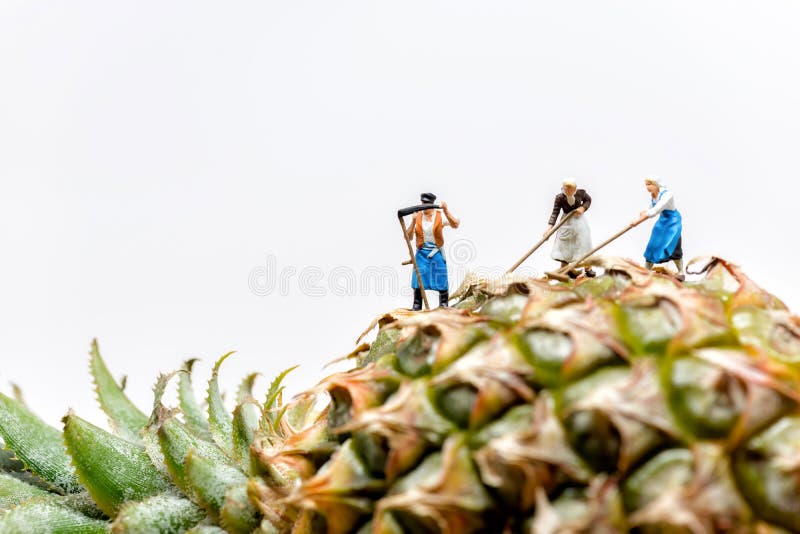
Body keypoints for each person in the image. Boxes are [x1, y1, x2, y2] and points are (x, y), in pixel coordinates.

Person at [406, 192, 460, 310]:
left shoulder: (439, 216)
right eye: (423, 203)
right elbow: (408, 237)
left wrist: (446, 210)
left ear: (431, 205)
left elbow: (455, 224)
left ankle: (444, 303)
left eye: (426, 204)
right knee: (418, 278)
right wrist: (413, 221)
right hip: (421, 253)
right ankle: (417, 304)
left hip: (436, 252)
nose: (424, 206)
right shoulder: (417, 216)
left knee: (441, 276)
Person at [634, 177, 685, 280]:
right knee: (653, 244)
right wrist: (643, 212)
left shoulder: (667, 195)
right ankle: (646, 271)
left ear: (656, 184)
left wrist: (638, 221)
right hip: (663, 220)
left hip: (673, 221)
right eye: (646, 185)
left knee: (673, 245)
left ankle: (681, 272)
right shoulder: (653, 195)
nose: (647, 187)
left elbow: (656, 210)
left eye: (649, 184)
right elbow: (650, 207)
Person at [544, 179, 595, 278]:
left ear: (575, 189)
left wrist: (583, 208)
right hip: (566, 222)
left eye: (570, 190)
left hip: (579, 221)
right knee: (565, 245)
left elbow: (588, 200)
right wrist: (549, 228)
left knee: (583, 244)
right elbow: (555, 212)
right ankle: (565, 270)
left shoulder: (581, 193)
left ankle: (588, 268)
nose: (568, 192)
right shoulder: (560, 197)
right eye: (566, 190)